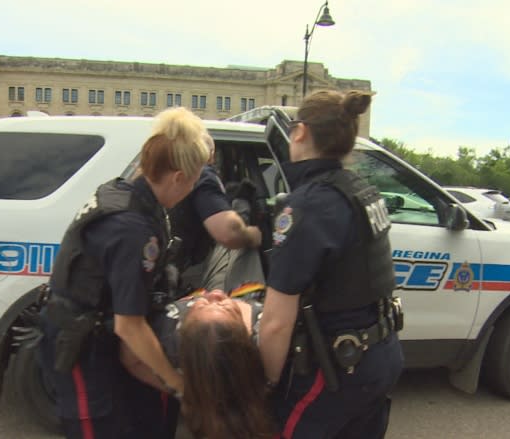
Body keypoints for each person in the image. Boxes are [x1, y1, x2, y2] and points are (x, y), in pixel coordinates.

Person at [39, 107, 210, 439]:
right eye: (193, 182)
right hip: (80, 344)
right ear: (177, 177)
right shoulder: (132, 228)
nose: (191, 192)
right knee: (98, 428)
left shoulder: (126, 190)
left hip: (100, 333)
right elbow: (129, 325)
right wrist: (177, 384)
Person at [258, 90, 404, 439]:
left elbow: (276, 323)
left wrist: (265, 385)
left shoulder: (307, 206)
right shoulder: (361, 191)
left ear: (301, 132)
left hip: (336, 370)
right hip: (380, 355)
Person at [121, 289, 275, 439]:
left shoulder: (168, 337)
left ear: (183, 331)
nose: (216, 295)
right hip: (247, 291)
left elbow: (130, 358)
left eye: (203, 305)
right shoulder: (264, 339)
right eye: (225, 307)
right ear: (245, 334)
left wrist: (177, 386)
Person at [167, 132, 262, 292]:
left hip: (172, 266)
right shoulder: (202, 174)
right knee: (240, 240)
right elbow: (228, 234)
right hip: (187, 269)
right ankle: (246, 304)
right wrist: (253, 235)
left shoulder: (169, 173)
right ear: (210, 155)